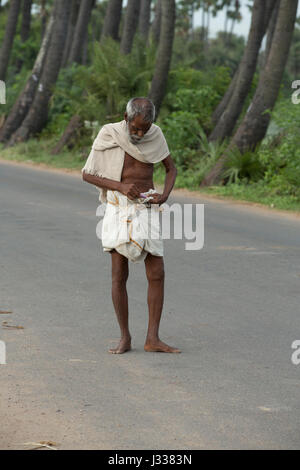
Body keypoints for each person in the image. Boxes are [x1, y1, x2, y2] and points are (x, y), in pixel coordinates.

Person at [82, 97, 181, 354]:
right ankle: (124, 337)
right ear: (125, 118)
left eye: (144, 129)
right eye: (135, 128)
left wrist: (165, 194)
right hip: (117, 207)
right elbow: (87, 173)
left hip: (146, 208)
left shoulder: (155, 134)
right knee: (119, 274)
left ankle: (152, 339)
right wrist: (121, 187)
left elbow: (171, 169)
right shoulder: (109, 133)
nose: (139, 133)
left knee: (157, 272)